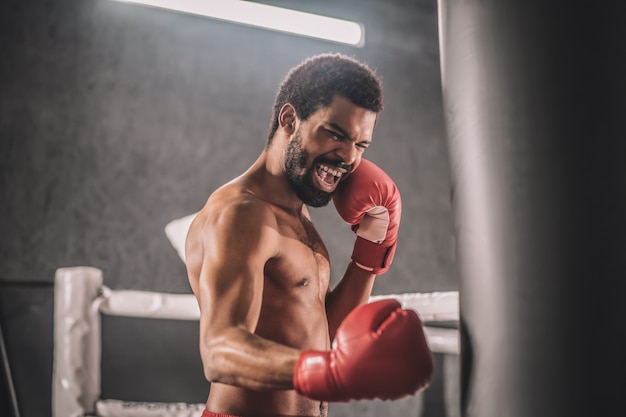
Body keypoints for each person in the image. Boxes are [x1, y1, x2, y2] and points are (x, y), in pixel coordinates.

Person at [185, 53, 434, 417]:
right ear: (289, 119)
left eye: (361, 145)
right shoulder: (241, 214)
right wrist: (334, 371)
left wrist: (368, 252)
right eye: (336, 134)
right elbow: (221, 351)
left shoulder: (298, 217)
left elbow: (324, 336)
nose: (349, 157)